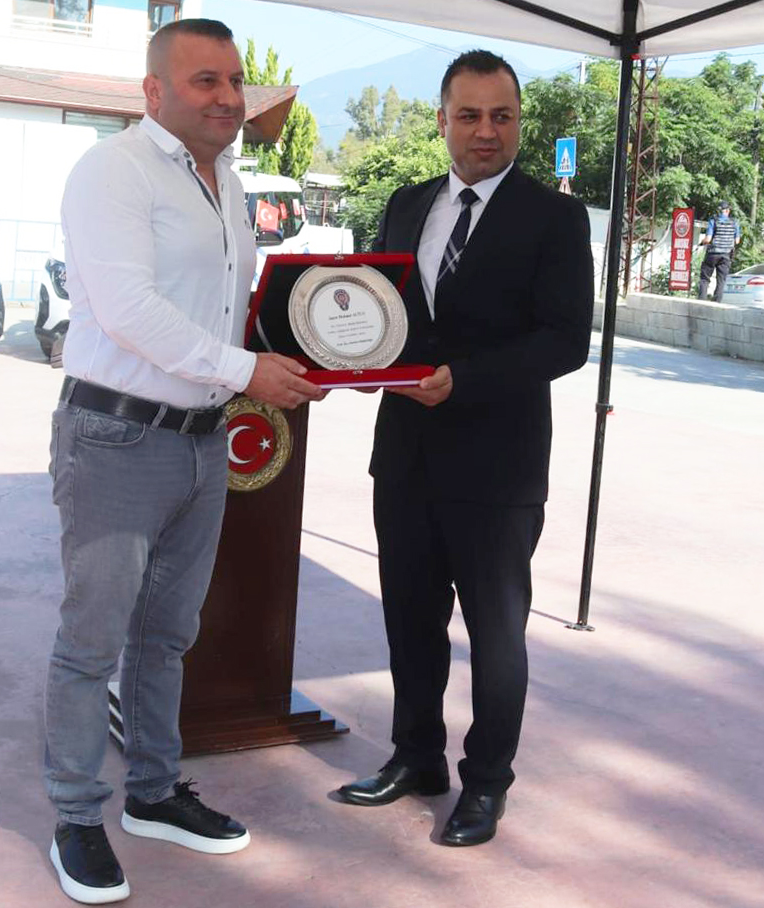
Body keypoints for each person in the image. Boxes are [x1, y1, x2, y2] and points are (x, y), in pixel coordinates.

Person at [43, 18, 323, 905]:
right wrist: (247, 372)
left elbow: (219, 308)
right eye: (206, 81)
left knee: (167, 635)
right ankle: (77, 816)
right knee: (93, 641)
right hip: (116, 438)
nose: (228, 97)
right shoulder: (113, 171)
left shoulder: (226, 182)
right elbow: (129, 309)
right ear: (154, 91)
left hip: (203, 439)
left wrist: (305, 352)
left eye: (235, 81)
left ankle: (154, 793)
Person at [337, 50, 594, 847]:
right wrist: (351, 360)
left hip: (498, 465)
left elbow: (566, 340)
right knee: (410, 619)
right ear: (443, 119)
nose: (487, 131)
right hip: (405, 455)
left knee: (496, 633)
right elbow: (380, 312)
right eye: (471, 115)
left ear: (519, 122)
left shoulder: (554, 218)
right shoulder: (406, 204)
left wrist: (465, 379)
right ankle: (416, 757)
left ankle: (486, 784)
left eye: (502, 116)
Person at [698, 200, 741, 302]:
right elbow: (737, 241)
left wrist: (701, 243)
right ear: (728, 211)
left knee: (705, 278)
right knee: (721, 280)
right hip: (726, 254)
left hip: (713, 253)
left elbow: (708, 239)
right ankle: (716, 302)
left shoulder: (713, 220)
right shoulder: (734, 222)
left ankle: (701, 300)